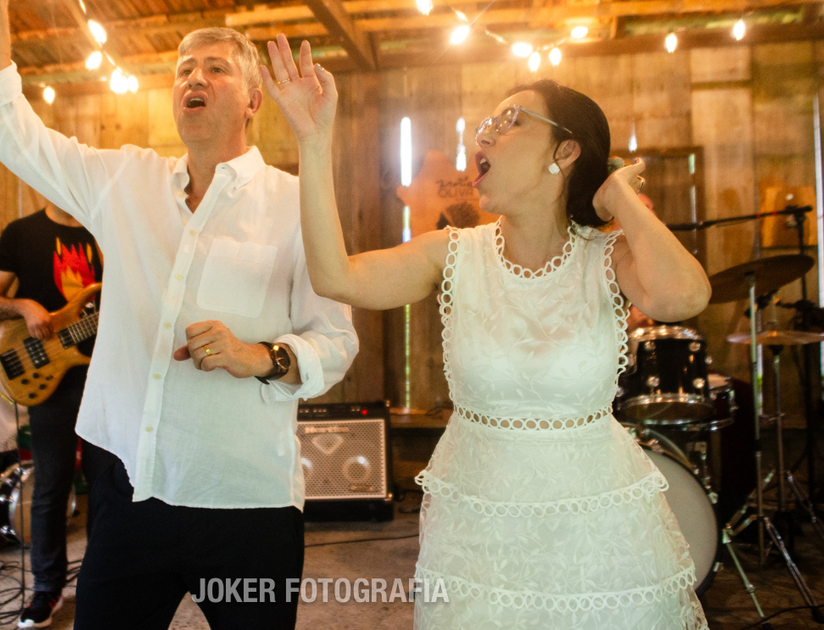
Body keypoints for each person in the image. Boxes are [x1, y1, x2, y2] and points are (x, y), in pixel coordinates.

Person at [0, 0, 358, 630]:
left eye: (216, 67)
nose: (193, 78)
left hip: (245, 504)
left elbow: (336, 339)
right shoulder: (125, 181)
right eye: (183, 69)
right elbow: (6, 128)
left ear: (254, 99)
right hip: (126, 490)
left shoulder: (297, 205)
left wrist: (261, 356)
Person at [263, 34, 712, 629]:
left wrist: (619, 197)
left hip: (596, 524)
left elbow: (683, 297)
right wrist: (313, 139)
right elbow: (334, 276)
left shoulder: (606, 257)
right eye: (486, 126)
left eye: (511, 121)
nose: (484, 137)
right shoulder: (452, 254)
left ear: (566, 150)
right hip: (479, 529)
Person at [0, 202, 105, 628]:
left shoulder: (103, 230)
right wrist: (24, 306)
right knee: (51, 486)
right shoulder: (21, 232)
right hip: (47, 375)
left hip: (103, 375)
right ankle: (47, 589)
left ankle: (102, 581)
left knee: (106, 486)